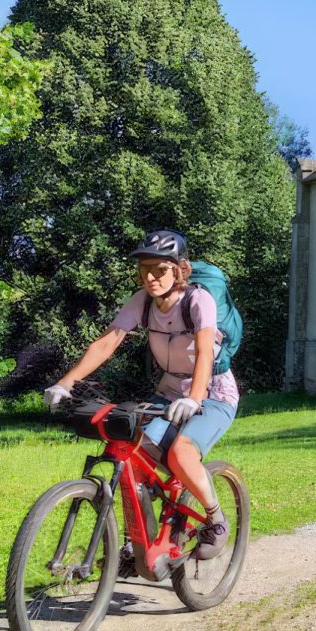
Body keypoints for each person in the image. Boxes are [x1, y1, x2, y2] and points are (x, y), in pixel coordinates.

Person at [42, 229, 237, 559]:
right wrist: (66, 383)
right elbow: (108, 341)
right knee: (133, 451)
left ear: (179, 269)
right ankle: (142, 536)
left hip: (213, 393)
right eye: (144, 269)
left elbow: (205, 350)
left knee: (181, 453)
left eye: (160, 269)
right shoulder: (142, 301)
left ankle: (216, 520)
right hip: (170, 391)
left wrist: (195, 397)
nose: (150, 277)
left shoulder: (197, 300)